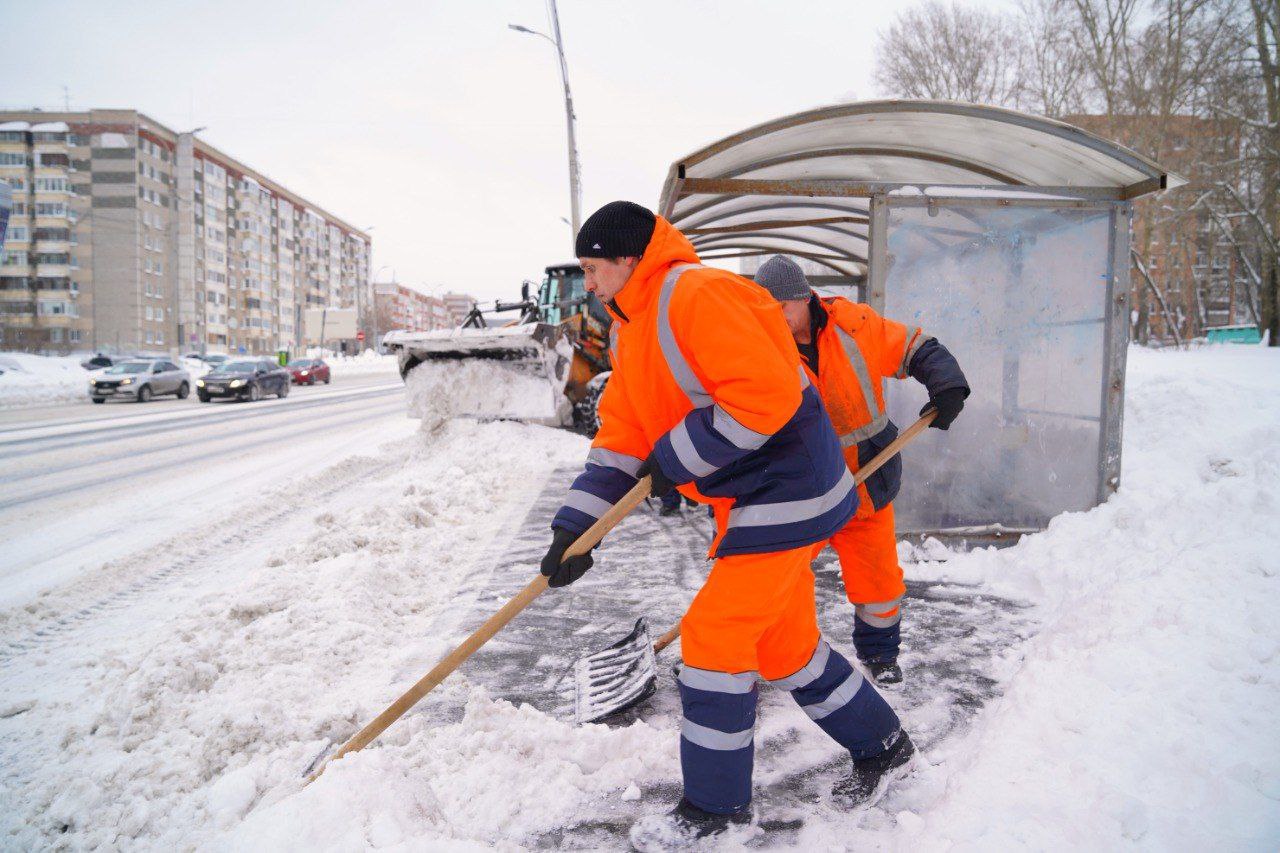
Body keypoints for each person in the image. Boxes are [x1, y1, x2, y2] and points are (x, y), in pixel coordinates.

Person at [540, 202, 915, 847]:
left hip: (790, 491)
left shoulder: (697, 295)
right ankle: (883, 745)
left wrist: (675, 458)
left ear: (630, 259)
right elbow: (623, 437)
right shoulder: (632, 329)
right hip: (752, 498)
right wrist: (576, 530)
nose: (592, 283)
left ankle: (716, 811)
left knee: (714, 639)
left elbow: (765, 397)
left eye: (595, 268)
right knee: (784, 646)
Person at [753, 255, 969, 686]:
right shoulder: (756, 344)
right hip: (802, 490)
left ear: (803, 299)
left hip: (867, 478)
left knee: (879, 582)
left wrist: (946, 384)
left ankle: (880, 654)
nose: (772, 319)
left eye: (781, 309)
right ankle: (738, 654)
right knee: (769, 577)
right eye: (765, 310)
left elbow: (915, 346)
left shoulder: (854, 327)